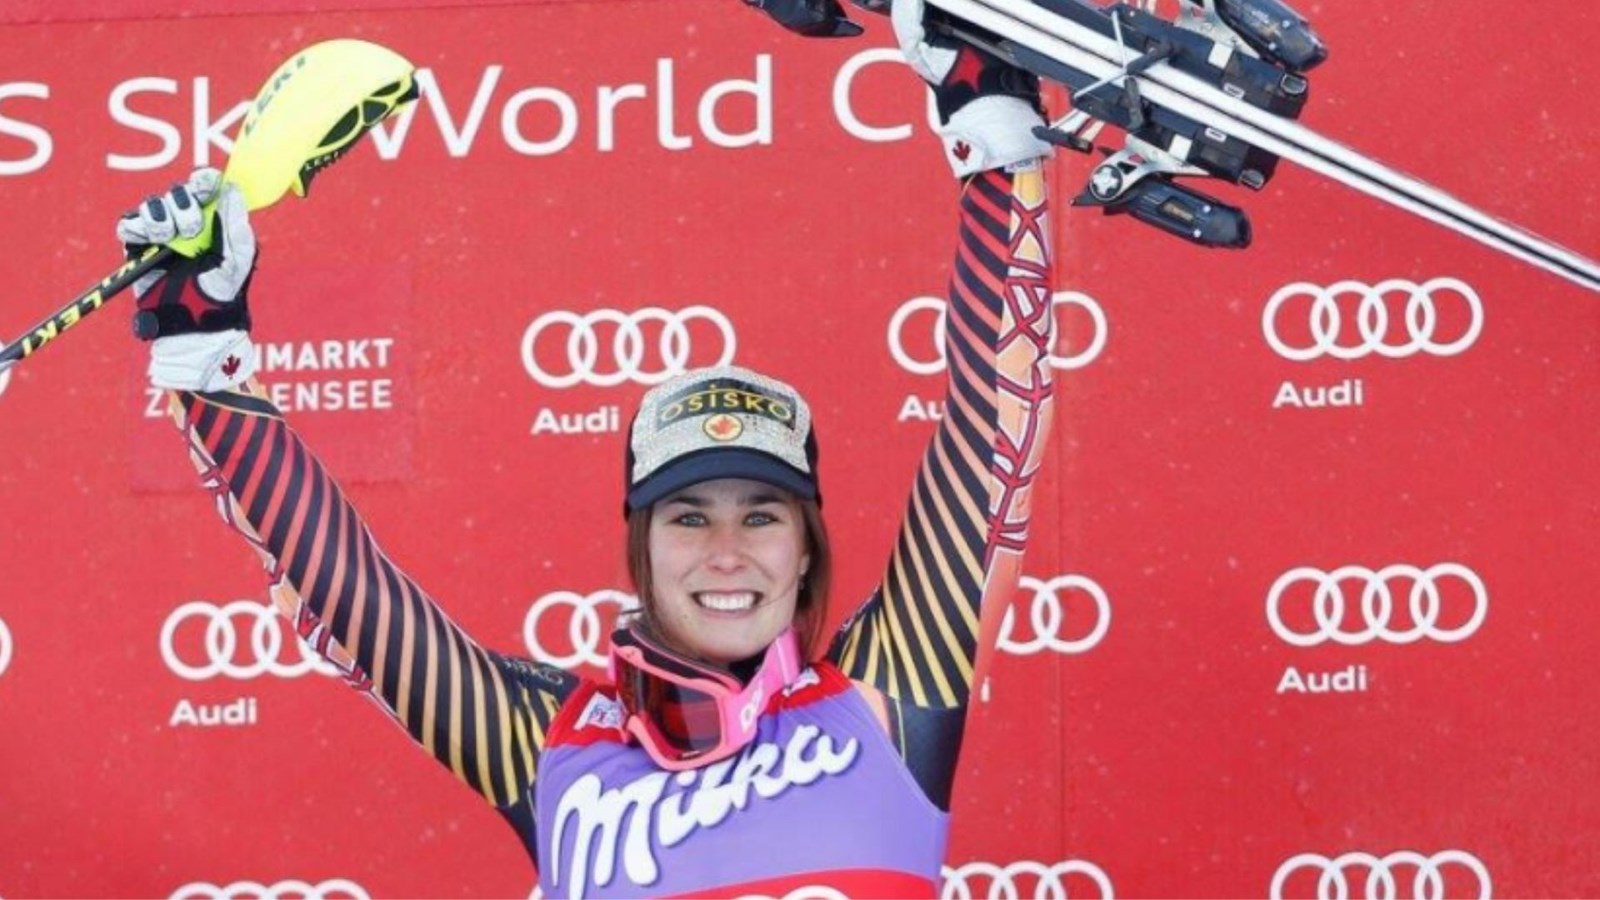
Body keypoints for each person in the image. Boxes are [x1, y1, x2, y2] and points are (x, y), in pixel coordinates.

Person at [121, 1, 1058, 895]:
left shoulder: (892, 690)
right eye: (688, 516)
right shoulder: (549, 739)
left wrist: (992, 125)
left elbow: (992, 425)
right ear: (640, 544)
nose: (726, 552)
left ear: (806, 546)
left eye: (762, 515)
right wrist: (205, 353)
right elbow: (351, 599)